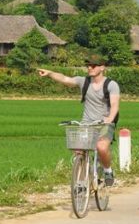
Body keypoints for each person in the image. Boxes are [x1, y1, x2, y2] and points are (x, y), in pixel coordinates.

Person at [37, 55, 120, 186]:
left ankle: (107, 170)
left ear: (102, 67)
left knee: (102, 147)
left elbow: (115, 105)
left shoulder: (111, 84)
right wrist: (50, 73)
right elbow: (65, 79)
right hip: (87, 123)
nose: (90, 68)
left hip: (104, 123)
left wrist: (109, 119)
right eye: (88, 65)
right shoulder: (84, 81)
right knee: (79, 150)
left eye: (93, 65)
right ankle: (81, 183)